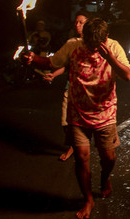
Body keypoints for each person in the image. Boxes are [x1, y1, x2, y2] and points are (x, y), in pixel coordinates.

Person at [25, 17, 130, 219]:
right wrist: (32, 59)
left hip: (105, 114)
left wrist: (110, 58)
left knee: (108, 158)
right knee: (82, 158)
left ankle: (105, 176)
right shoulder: (73, 46)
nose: (92, 48)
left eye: (96, 44)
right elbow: (50, 62)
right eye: (88, 43)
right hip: (78, 113)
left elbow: (127, 75)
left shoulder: (114, 47)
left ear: (106, 37)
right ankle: (88, 199)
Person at [43, 10, 91, 161]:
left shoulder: (93, 43)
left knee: (81, 123)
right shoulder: (72, 43)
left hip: (85, 91)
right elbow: (66, 64)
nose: (77, 25)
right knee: (65, 121)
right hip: (69, 87)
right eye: (76, 22)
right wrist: (54, 74)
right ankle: (75, 145)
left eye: (81, 22)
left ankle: (75, 147)